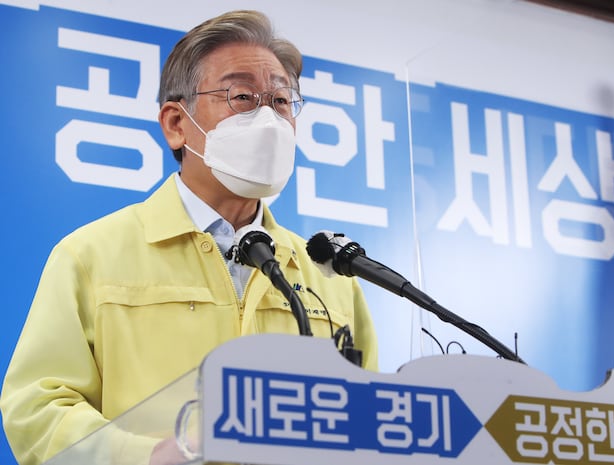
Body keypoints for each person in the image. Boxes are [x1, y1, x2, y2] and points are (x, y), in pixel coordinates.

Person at [0, 9, 378, 465]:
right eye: (242, 96)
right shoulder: (91, 256)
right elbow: (37, 408)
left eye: (280, 101)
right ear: (177, 124)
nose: (268, 119)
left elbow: (370, 419)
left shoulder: (330, 277)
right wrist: (147, 457)